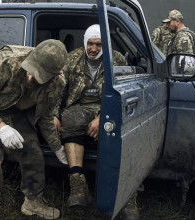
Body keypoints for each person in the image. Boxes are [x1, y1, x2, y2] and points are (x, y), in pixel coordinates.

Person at [0, 39, 68, 220]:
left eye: (39, 75)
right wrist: (0, 127)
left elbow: (45, 116)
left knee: (34, 156)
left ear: (56, 73)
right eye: (31, 69)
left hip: (16, 115)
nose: (30, 77)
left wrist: (56, 146)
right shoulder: (8, 61)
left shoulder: (57, 84)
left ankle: (32, 204)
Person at [57, 24, 139, 220]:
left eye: (99, 45)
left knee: (121, 128)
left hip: (107, 108)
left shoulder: (117, 59)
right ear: (85, 42)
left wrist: (102, 117)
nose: (93, 49)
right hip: (80, 106)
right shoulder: (73, 58)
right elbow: (58, 88)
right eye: (91, 43)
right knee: (69, 118)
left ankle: (128, 193)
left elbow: (125, 92)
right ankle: (78, 184)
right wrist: (53, 113)